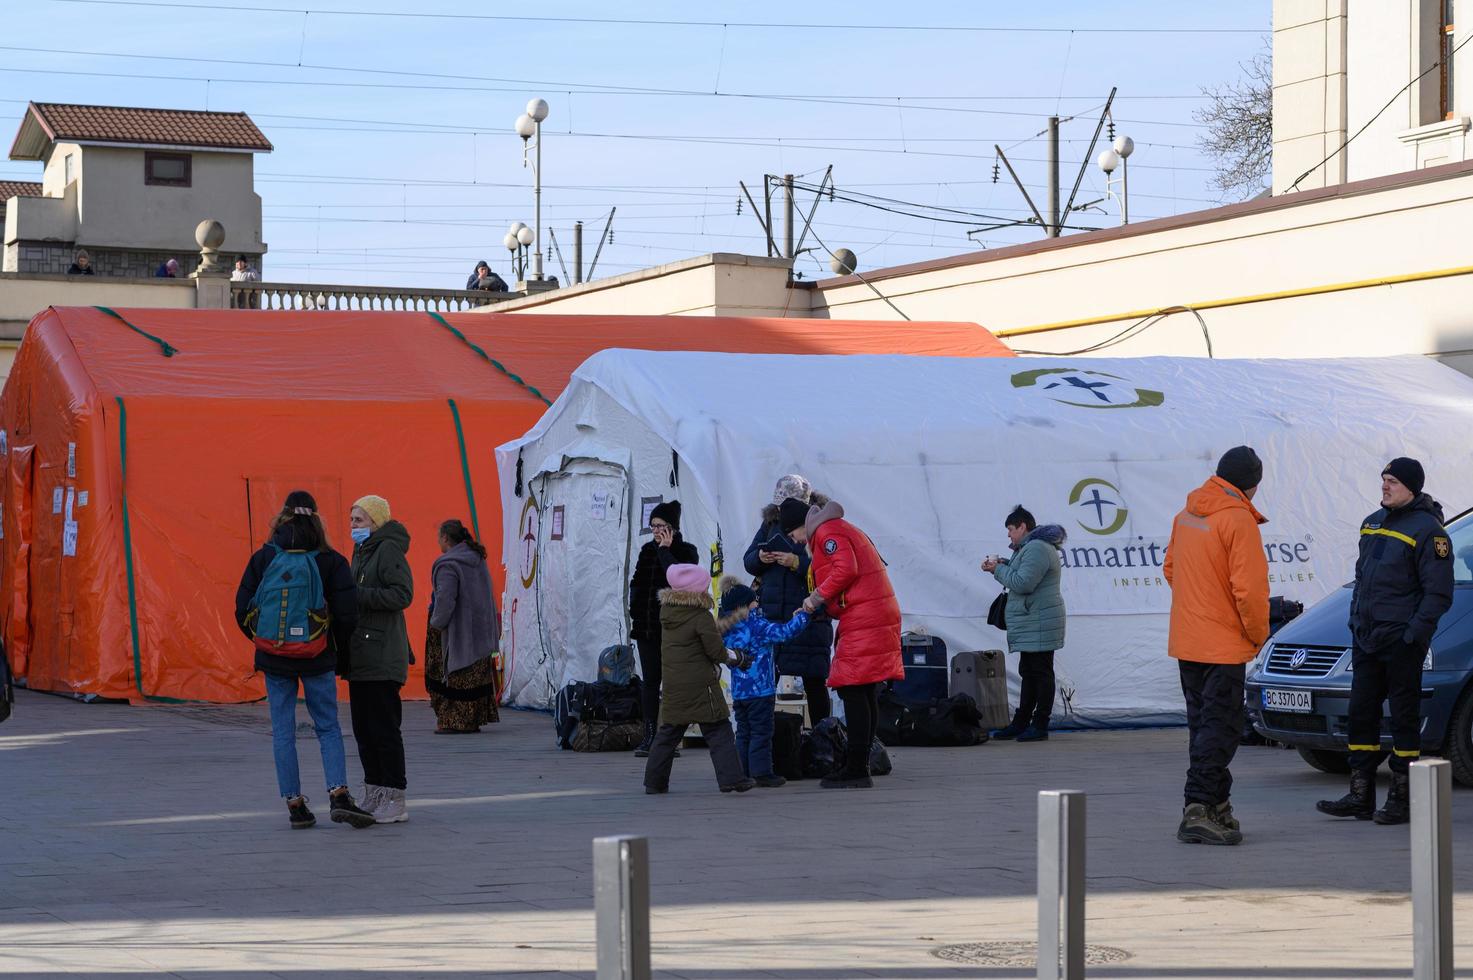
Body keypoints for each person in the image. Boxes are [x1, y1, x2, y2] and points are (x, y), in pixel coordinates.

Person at [1318, 458, 1454, 825]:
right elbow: (1362, 579)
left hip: (1402, 642)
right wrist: (1355, 620)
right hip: (1366, 638)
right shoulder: (1371, 523)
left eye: (1392, 481)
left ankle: (1401, 796)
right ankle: (1360, 795)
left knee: (1403, 718)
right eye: (1383, 480)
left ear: (1412, 486)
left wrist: (1414, 636)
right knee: (1361, 712)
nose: (1384, 487)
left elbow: (1438, 593)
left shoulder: (1430, 531)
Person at [234, 490, 375, 830]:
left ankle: (295, 804)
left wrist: (263, 641)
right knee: (327, 726)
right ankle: (338, 793)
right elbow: (347, 613)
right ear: (317, 518)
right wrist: (334, 650)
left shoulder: (264, 557)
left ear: (282, 517)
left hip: (274, 657)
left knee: (282, 731)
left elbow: (242, 608)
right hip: (317, 655)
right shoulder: (330, 560)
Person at [1162, 446, 1270, 846]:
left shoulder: (1186, 514)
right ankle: (1197, 808)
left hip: (1188, 640)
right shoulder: (1238, 520)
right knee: (1221, 729)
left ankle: (1218, 805)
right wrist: (1256, 635)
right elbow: (1250, 590)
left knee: (1203, 727)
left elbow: (1170, 568)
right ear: (1253, 486)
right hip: (1223, 644)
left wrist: (1198, 606)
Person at [796, 496, 903, 789]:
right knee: (865, 688)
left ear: (802, 528)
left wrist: (813, 599)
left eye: (794, 534)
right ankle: (861, 761)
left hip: (865, 614)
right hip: (874, 610)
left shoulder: (828, 533)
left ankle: (857, 768)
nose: (795, 541)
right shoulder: (842, 527)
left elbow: (846, 569)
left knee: (852, 687)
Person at [643, 563, 756, 795]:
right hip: (701, 684)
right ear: (697, 591)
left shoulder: (668, 613)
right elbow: (716, 651)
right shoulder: (700, 616)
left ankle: (654, 782)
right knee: (719, 731)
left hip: (674, 682)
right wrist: (739, 658)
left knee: (668, 733)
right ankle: (732, 779)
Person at [743, 476, 834, 725]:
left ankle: (822, 739)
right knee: (765, 681)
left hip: (806, 614)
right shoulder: (771, 522)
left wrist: (796, 563)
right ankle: (766, 738)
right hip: (773, 615)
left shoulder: (821, 525)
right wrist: (762, 557)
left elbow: (829, 571)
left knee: (814, 681)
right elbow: (748, 561)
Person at [347, 495, 414, 824]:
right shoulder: (361, 551)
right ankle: (374, 791)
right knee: (364, 729)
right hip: (360, 654)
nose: (353, 526)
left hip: (383, 653)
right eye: (352, 520)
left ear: (376, 522)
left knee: (384, 729)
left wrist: (356, 596)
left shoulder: (387, 549)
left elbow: (403, 594)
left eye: (359, 520)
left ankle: (395, 797)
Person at [982, 506, 1067, 742]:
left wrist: (998, 569)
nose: (1008, 534)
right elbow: (1023, 573)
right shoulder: (1031, 547)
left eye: (1010, 529)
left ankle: (1039, 724)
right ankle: (1022, 722)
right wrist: (1003, 564)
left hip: (1039, 619)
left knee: (1040, 672)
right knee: (1029, 672)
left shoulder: (1037, 548)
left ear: (1022, 526)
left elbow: (1023, 583)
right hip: (1035, 619)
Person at [717, 576, 810, 787]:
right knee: (762, 732)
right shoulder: (757, 625)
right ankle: (762, 772)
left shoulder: (726, 630)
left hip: (739, 692)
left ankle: (743, 770)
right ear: (745, 605)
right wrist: (804, 615)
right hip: (760, 691)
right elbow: (785, 632)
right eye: (753, 601)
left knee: (744, 732)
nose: (757, 603)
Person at [628, 500, 699, 757]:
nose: (656, 531)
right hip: (647, 628)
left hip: (674, 630)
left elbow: (679, 578)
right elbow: (636, 583)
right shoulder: (646, 551)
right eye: (653, 526)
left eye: (660, 526)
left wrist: (666, 551)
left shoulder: (687, 552)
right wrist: (634, 612)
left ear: (672, 528)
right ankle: (649, 736)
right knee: (650, 681)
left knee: (671, 683)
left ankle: (669, 737)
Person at [426, 518, 500, 734]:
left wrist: (435, 625)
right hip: (481, 630)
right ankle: (472, 719)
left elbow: (446, 600)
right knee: (475, 676)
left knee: (452, 675)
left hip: (458, 632)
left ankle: (454, 721)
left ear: (445, 538)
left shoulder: (448, 565)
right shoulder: (477, 558)